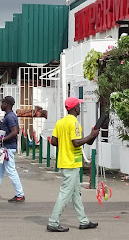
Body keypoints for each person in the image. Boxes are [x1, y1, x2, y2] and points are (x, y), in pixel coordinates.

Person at [46, 97, 99, 232]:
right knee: (65, 194)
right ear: (75, 108)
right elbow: (76, 142)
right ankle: (53, 221)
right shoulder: (74, 123)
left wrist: (65, 144)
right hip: (72, 162)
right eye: (79, 106)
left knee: (76, 193)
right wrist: (91, 135)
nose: (79, 108)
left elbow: (53, 141)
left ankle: (84, 221)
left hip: (64, 161)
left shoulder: (60, 122)